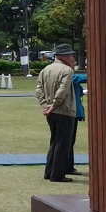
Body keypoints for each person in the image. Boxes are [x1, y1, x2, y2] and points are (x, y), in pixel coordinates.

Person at [35, 44, 78, 182]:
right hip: (64, 110)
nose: (72, 58)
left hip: (50, 111)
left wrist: (45, 105)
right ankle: (57, 174)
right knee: (63, 144)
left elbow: (38, 90)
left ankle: (49, 171)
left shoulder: (45, 69)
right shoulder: (67, 70)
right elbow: (63, 89)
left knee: (54, 141)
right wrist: (54, 104)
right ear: (63, 56)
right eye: (70, 55)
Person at [68, 71, 87, 176]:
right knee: (68, 142)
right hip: (72, 112)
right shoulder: (69, 76)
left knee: (69, 142)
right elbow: (79, 78)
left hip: (73, 112)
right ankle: (67, 166)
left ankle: (69, 166)